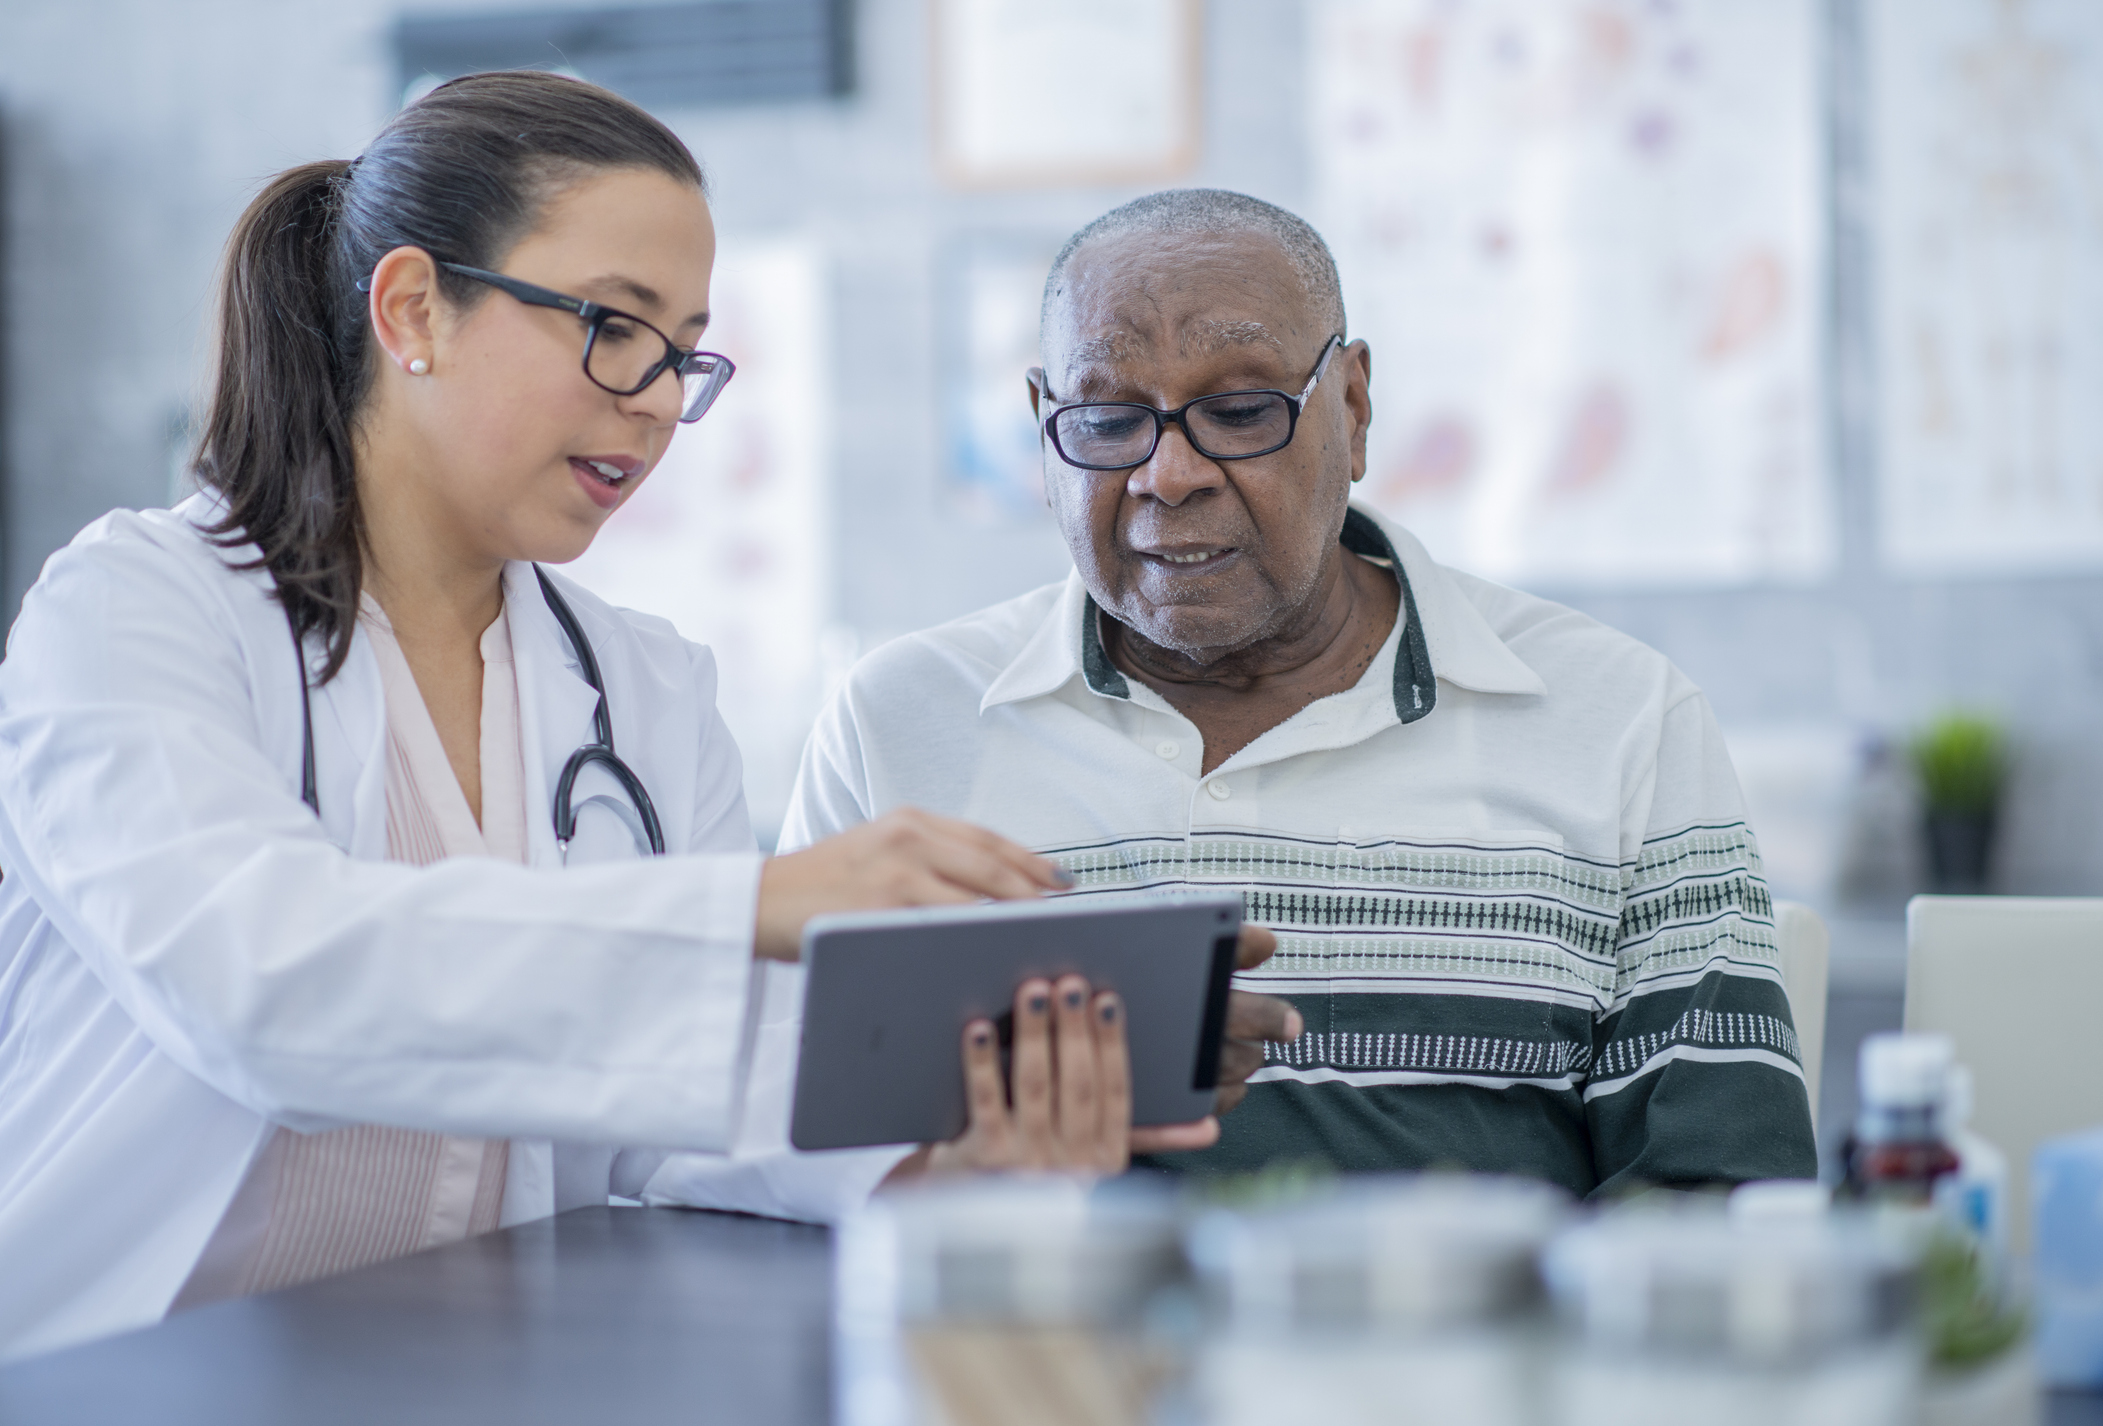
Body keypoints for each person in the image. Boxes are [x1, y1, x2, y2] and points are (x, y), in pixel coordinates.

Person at [0, 77, 1250, 1363]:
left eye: (685, 353)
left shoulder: (641, 687)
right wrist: (745, 912)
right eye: (614, 326)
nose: (657, 399)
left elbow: (681, 1105)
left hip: (478, 1373)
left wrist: (962, 1125)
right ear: (414, 308)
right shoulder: (136, 611)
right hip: (117, 1369)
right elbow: (258, 983)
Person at [720, 189, 1818, 1204]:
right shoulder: (899, 723)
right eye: (1107, 421)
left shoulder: (1619, 719)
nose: (1168, 474)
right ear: (1043, 427)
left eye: (1241, 409)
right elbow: (760, 1152)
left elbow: (1719, 1197)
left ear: (1353, 404)